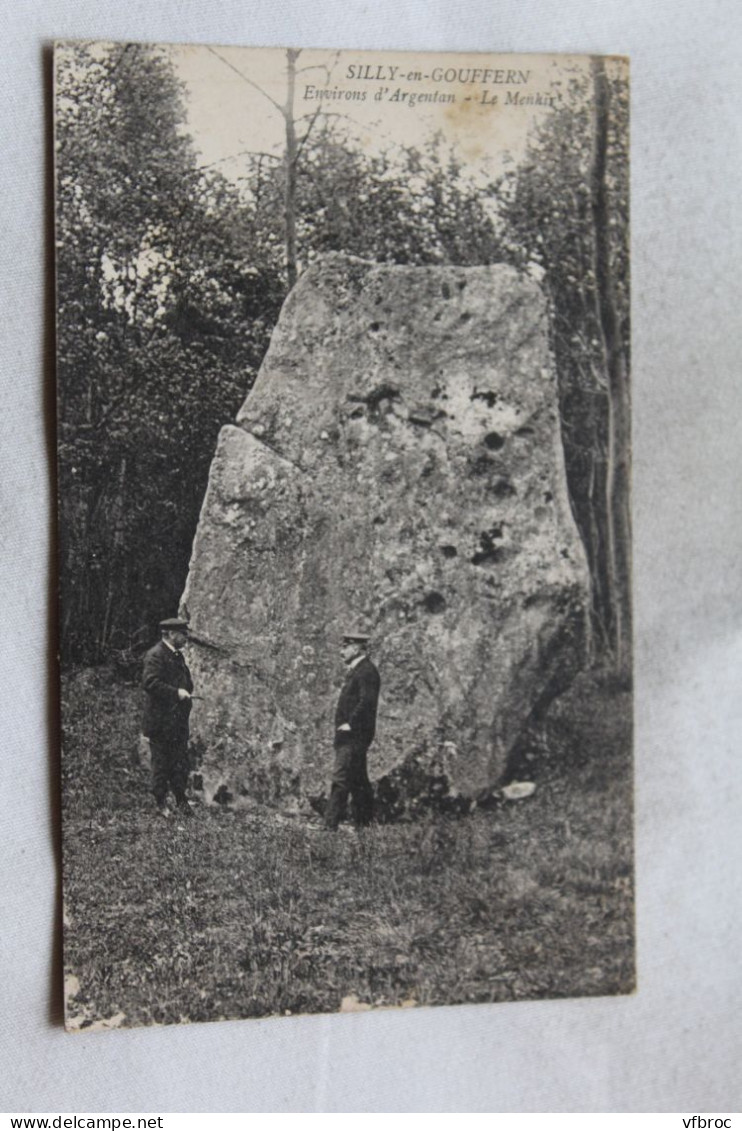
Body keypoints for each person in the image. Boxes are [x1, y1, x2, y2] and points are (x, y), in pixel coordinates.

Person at [324, 629, 381, 831]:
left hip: (353, 736)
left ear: (357, 648)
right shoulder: (360, 670)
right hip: (350, 735)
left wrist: (351, 724)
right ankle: (365, 824)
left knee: (340, 778)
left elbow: (367, 701)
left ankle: (330, 825)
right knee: (358, 781)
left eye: (345, 647)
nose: (342, 651)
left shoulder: (366, 671)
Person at [142, 616, 194, 818]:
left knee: (179, 762)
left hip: (177, 721)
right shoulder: (155, 655)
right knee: (161, 764)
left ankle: (181, 801)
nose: (186, 637)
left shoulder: (176, 655)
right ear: (171, 634)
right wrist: (176, 693)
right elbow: (150, 683)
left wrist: (186, 691)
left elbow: (185, 681)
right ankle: (161, 803)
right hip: (161, 722)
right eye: (183, 633)